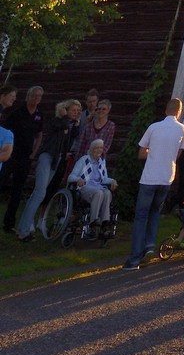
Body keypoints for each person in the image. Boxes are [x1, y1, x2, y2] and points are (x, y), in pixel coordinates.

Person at [124, 98, 184, 270]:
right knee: (154, 213)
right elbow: (178, 153)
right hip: (167, 176)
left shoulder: (154, 127)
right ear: (178, 112)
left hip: (150, 177)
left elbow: (141, 153)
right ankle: (150, 245)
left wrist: (152, 152)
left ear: (166, 110)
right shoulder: (183, 129)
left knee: (141, 216)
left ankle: (134, 258)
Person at [17, 98, 82, 240]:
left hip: (56, 160)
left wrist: (75, 125)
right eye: (73, 110)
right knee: (40, 193)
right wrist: (64, 116)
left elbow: (71, 139)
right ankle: (24, 231)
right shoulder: (57, 121)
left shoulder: (70, 125)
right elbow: (59, 127)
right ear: (66, 110)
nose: (76, 113)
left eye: (78, 111)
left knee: (38, 193)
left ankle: (23, 227)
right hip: (47, 156)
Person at [1, 85, 43, 234]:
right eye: (34, 96)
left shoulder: (39, 115)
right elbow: (4, 131)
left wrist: (33, 153)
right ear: (28, 97)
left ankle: (8, 223)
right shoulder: (16, 112)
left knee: (17, 191)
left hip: (25, 158)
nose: (36, 99)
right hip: (10, 155)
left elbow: (39, 135)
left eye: (39, 97)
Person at [67, 139, 118, 236]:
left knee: (107, 192)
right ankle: (93, 223)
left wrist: (112, 181)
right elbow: (70, 177)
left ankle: (104, 224)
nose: (99, 150)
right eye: (97, 148)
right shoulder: (84, 160)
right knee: (99, 193)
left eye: (101, 148)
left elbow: (103, 179)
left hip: (98, 187)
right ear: (91, 149)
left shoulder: (102, 161)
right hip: (84, 188)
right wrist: (78, 179)